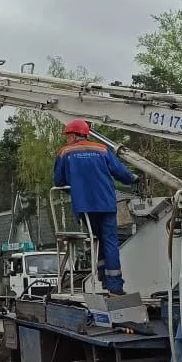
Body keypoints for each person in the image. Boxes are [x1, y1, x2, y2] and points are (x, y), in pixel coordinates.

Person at [52, 119, 138, 295]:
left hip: (84, 206)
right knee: (110, 242)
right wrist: (134, 179)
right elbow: (121, 173)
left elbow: (58, 181)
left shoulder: (64, 153)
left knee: (96, 238)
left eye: (67, 135)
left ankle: (103, 277)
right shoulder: (102, 149)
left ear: (74, 135)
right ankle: (114, 286)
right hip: (106, 203)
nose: (66, 139)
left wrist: (74, 186)